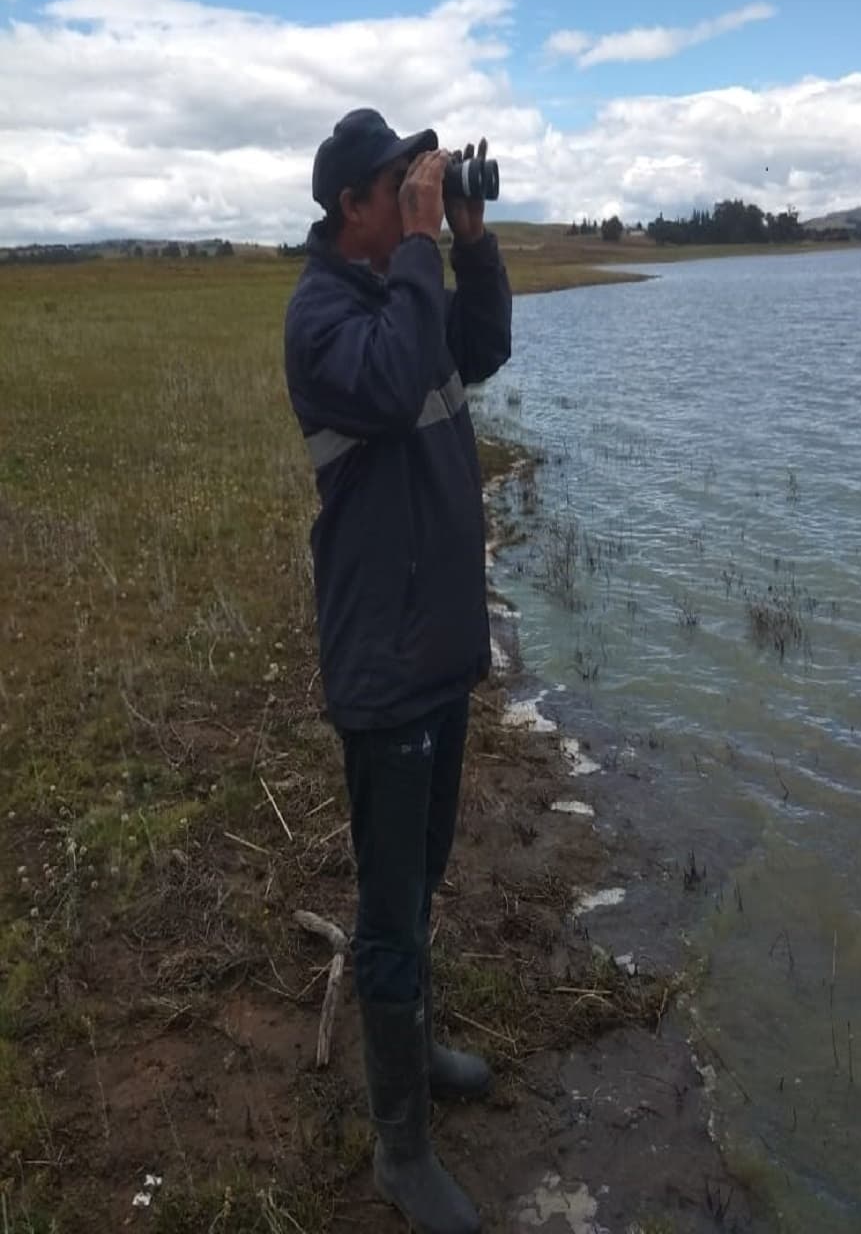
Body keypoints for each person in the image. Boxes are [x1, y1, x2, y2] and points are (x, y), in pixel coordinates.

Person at [284, 108, 512, 1234]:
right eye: (401, 186)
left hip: (436, 644)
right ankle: (399, 1150)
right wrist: (424, 252)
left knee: (422, 875)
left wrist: (470, 240)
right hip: (383, 654)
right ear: (351, 207)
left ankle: (416, 1054)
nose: (414, 194)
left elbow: (481, 348)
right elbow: (387, 388)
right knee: (387, 910)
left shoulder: (402, 288)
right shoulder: (321, 317)